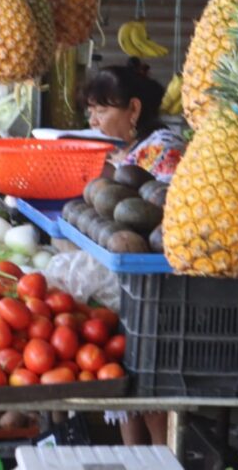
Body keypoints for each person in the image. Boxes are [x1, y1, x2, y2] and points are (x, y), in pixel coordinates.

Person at [81, 58, 186, 446]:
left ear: (134, 110)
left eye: (103, 109)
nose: (93, 119)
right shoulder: (131, 149)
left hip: (161, 287)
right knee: (127, 376)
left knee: (148, 379)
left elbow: (157, 218)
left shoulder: (162, 150)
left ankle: (159, 457)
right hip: (134, 282)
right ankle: (133, 456)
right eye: (91, 110)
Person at [83, 57, 185, 183]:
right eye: (90, 113)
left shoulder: (164, 147)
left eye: (100, 111)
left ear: (133, 109)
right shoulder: (113, 151)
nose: (92, 121)